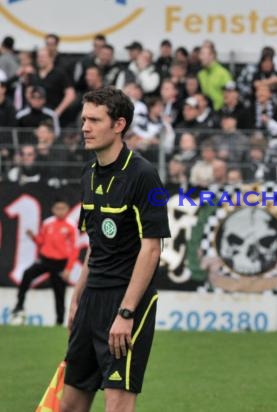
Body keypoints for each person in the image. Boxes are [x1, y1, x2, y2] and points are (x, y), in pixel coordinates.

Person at [60, 87, 170, 412]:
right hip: (91, 300)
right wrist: (78, 297)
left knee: (117, 407)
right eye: (84, 119)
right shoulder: (88, 174)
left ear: (119, 124)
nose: (85, 127)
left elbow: (151, 249)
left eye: (94, 120)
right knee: (70, 405)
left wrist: (126, 313)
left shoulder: (145, 176)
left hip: (125, 304)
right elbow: (95, 246)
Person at [11, 197, 78, 326]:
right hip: (45, 260)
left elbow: (75, 249)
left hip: (60, 264)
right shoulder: (48, 223)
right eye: (57, 208)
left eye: (63, 208)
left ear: (68, 210)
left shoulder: (71, 225)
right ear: (53, 209)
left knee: (59, 293)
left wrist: (68, 269)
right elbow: (41, 242)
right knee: (27, 274)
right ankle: (19, 305)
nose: (60, 211)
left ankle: (59, 322)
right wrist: (33, 237)